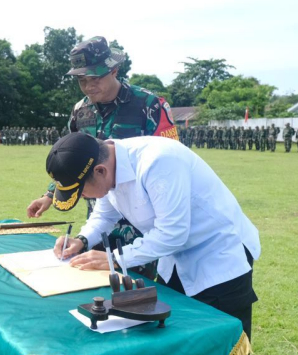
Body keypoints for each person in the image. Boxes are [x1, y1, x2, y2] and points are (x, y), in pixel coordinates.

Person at [46, 132, 260, 340]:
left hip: (218, 260)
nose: (83, 196)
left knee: (220, 345)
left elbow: (173, 233)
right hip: (175, 262)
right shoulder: (108, 165)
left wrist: (116, 259)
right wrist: (81, 240)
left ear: (100, 171)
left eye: (82, 191)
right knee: (178, 340)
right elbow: (104, 213)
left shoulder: (159, 162)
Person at [26, 36, 178, 277]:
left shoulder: (149, 106)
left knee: (140, 291)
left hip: (143, 224)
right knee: (96, 280)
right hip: (100, 213)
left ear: (114, 70)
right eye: (82, 81)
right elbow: (70, 158)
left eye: (95, 79)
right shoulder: (80, 111)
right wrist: (50, 194)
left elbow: (172, 162)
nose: (89, 87)